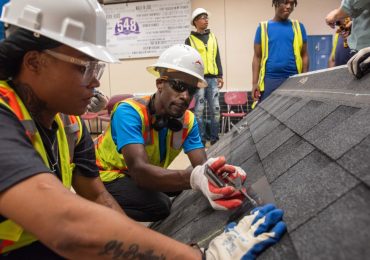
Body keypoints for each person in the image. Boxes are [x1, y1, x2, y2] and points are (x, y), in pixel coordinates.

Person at [0, 0, 286, 259]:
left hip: (37, 242)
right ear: (34, 62)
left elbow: (99, 199)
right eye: (85, 67)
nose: (96, 82)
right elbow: (67, 225)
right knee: (156, 206)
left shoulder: (69, 125)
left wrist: (208, 176)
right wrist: (198, 257)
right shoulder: (4, 117)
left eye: (96, 69)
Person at [95, 44, 246, 222]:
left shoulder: (188, 121)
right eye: (178, 86)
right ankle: (97, 207)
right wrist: (193, 177)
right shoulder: (129, 112)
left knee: (180, 186)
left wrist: (218, 175)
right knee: (161, 205)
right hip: (104, 174)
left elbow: (201, 166)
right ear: (160, 84)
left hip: (136, 175)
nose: (185, 96)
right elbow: (140, 172)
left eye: (191, 90)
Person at [252, 0, 309, 108]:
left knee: (292, 115)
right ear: (276, 3)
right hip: (270, 80)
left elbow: (304, 55)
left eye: (292, 4)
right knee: (267, 116)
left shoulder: (299, 27)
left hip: (294, 80)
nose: (289, 6)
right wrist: (254, 83)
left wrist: (305, 77)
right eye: (285, 2)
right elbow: (257, 57)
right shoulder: (263, 27)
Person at [185, 8, 223, 146]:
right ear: (195, 21)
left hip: (213, 79)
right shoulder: (189, 40)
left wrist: (220, 75)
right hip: (198, 79)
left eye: (207, 17)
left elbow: (217, 56)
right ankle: (200, 140)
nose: (206, 20)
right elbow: (188, 61)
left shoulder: (213, 37)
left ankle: (215, 139)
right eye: (202, 17)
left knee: (216, 110)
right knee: (199, 112)